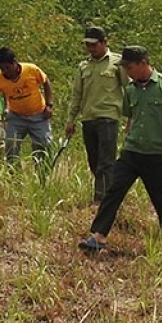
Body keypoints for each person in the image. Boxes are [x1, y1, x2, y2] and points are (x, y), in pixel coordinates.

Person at [80, 45, 162, 255]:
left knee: (160, 197)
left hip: (156, 152)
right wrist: (128, 135)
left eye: (129, 67)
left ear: (143, 64)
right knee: (113, 190)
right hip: (132, 151)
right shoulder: (130, 90)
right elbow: (130, 117)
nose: (127, 71)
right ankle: (98, 236)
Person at [64, 26, 126, 206]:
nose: (90, 48)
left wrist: (131, 116)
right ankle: (110, 192)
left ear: (104, 43)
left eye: (94, 45)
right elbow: (77, 94)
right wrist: (70, 119)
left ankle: (102, 198)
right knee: (94, 160)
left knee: (106, 160)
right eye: (87, 45)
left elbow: (128, 90)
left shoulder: (117, 63)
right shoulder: (84, 66)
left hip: (108, 117)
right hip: (88, 118)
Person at [0, 47, 53, 165]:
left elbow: (46, 82)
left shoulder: (31, 70)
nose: (6, 72)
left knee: (43, 146)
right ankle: (14, 176)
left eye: (8, 68)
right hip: (16, 117)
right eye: (2, 69)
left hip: (38, 115)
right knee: (11, 147)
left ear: (14, 62)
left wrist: (49, 105)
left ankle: (43, 177)